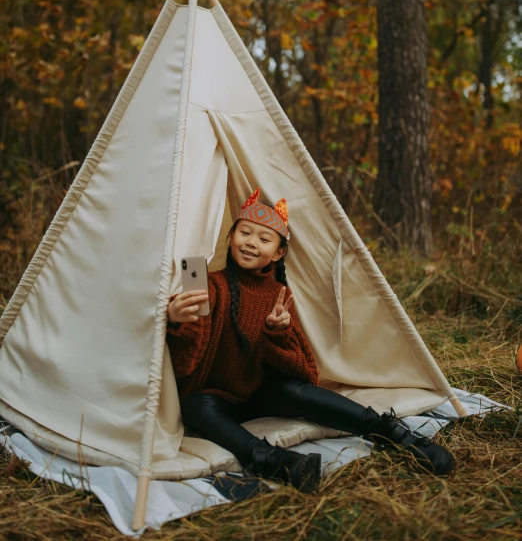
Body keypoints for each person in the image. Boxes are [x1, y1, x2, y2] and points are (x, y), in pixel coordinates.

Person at [166, 189, 455, 492]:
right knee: (195, 405)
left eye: (264, 239)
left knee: (295, 390)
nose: (251, 242)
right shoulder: (210, 285)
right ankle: (273, 460)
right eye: (245, 233)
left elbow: (304, 375)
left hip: (258, 394)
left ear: (278, 253)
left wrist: (278, 333)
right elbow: (186, 367)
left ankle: (391, 432)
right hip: (215, 398)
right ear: (231, 237)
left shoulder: (279, 296)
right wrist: (177, 321)